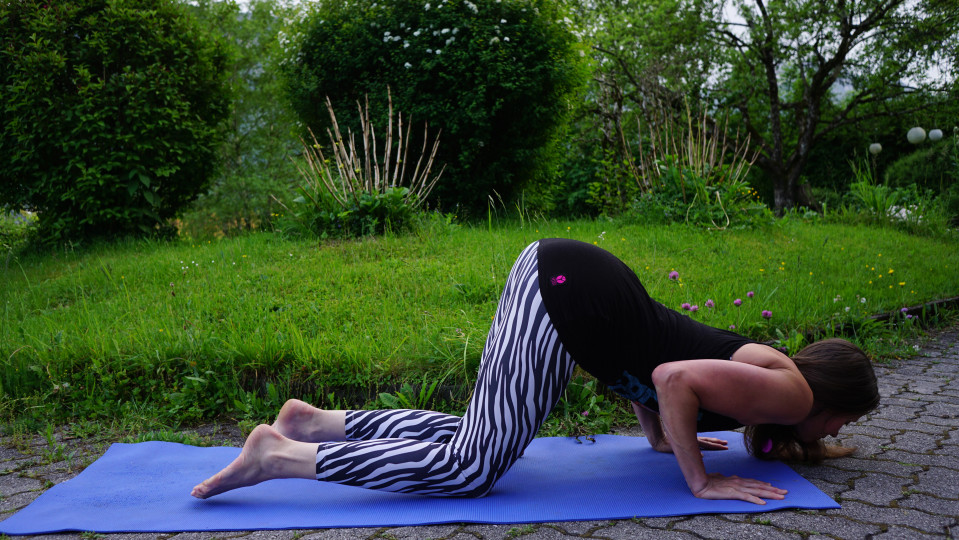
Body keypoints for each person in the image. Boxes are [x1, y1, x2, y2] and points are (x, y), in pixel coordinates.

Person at [192, 238, 879, 504]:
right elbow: (673, 379)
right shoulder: (791, 393)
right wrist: (697, 481)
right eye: (848, 417)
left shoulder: (776, 389)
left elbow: (648, 368)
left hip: (570, 284)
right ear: (835, 395)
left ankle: (316, 423)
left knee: (478, 436)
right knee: (473, 468)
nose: (838, 428)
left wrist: (662, 437)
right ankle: (282, 457)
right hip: (569, 294)